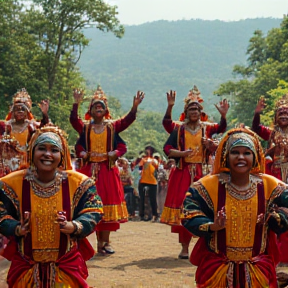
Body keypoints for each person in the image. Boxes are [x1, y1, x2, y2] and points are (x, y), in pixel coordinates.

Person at [181, 127, 288, 287]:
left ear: (255, 156)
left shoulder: (270, 186)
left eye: (247, 153)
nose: (241, 157)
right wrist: (212, 226)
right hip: (218, 270)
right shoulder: (207, 185)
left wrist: (273, 218)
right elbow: (188, 211)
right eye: (235, 152)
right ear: (225, 155)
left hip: (257, 270)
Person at [0, 124, 103, 288]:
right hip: (26, 267)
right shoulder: (11, 183)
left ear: (62, 156)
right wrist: (16, 228)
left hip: (65, 265)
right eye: (42, 148)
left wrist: (75, 225)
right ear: (32, 152)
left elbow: (94, 209)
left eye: (54, 150)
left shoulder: (79, 183)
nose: (47, 154)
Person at [70, 86, 144, 254]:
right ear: (91, 110)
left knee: (106, 206)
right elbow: (75, 127)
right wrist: (76, 103)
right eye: (95, 106)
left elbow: (124, 134)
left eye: (101, 106)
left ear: (105, 111)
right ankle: (95, 242)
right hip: (89, 171)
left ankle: (106, 241)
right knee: (91, 206)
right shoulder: (85, 128)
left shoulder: (112, 128)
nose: (98, 108)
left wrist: (134, 107)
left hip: (107, 171)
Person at [160, 88, 229, 259]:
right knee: (184, 208)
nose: (194, 112)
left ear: (201, 112)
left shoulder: (207, 129)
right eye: (191, 109)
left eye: (197, 109)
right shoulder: (179, 129)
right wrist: (181, 154)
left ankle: (205, 245)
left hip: (202, 172)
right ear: (186, 112)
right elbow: (167, 147)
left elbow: (222, 129)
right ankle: (184, 247)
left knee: (205, 207)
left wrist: (223, 116)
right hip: (183, 172)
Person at [252, 94, 288, 265]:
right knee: (275, 211)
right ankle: (275, 255)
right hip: (275, 176)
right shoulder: (271, 132)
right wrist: (257, 112)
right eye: (280, 114)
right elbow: (256, 128)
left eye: (286, 113)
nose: (284, 116)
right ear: (275, 117)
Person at [0, 88, 50, 175]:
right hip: (8, 164)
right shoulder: (5, 126)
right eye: (17, 109)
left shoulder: (32, 126)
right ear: (13, 112)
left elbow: (44, 127)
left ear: (27, 112)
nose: (20, 111)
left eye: (22, 109)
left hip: (26, 163)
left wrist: (44, 113)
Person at [138, 145, 159, 222]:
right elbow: (140, 167)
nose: (148, 151)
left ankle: (155, 215)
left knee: (153, 199)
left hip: (152, 181)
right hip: (143, 180)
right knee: (142, 198)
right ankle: (142, 215)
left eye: (149, 150)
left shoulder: (155, 160)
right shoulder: (143, 159)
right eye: (147, 150)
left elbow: (157, 167)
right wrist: (140, 171)